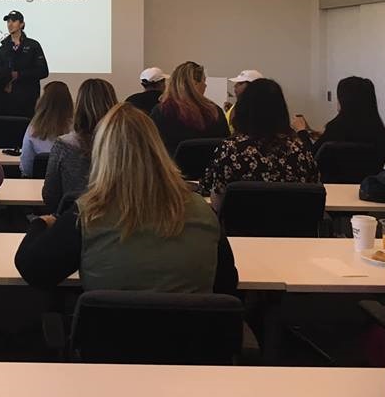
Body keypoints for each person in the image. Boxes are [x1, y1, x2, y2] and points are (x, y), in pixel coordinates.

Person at [15, 103, 237, 294]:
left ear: (102, 155)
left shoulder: (87, 215)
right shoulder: (203, 213)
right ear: (158, 149)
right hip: (191, 342)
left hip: (107, 343)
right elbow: (226, 285)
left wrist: (40, 223)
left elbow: (33, 270)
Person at [199, 78, 319, 207]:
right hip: (291, 225)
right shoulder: (300, 150)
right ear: (281, 110)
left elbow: (212, 192)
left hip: (239, 225)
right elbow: (314, 191)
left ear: (243, 109)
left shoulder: (230, 149)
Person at [42, 79, 117, 210]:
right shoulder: (125, 146)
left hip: (72, 222)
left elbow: (50, 197)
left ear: (79, 106)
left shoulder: (64, 146)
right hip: (119, 224)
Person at [292, 76, 385, 163]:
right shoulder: (378, 131)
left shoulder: (336, 127)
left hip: (330, 184)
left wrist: (301, 132)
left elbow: (311, 156)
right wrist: (315, 133)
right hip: (367, 184)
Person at [150, 61, 228, 157]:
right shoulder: (215, 112)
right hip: (210, 169)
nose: (205, 85)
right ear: (195, 84)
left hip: (171, 169)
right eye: (204, 81)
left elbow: (152, 148)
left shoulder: (161, 112)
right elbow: (225, 144)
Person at [0, 10, 48, 118]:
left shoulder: (33, 45)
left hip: (28, 100)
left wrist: (19, 75)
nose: (10, 24)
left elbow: (43, 71)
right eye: (8, 21)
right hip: (6, 100)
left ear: (22, 24)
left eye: (14, 21)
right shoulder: (4, 47)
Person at [21, 81, 73, 178]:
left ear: (43, 102)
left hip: (35, 187)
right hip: (68, 187)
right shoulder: (77, 129)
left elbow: (26, 168)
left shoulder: (33, 129)